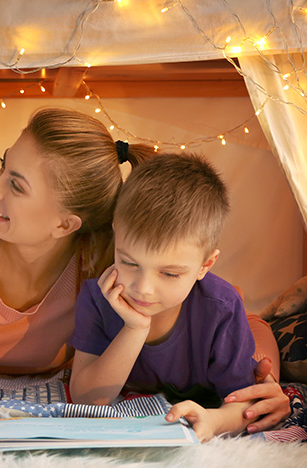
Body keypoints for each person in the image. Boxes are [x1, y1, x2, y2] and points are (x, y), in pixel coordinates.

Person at [0, 107, 289, 433]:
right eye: (2, 164)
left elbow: (240, 322)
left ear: (66, 224)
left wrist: (266, 375)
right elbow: (88, 397)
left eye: (17, 186)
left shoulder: (101, 259)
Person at [69, 152, 268, 441]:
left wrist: (214, 420)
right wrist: (135, 328)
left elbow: (245, 401)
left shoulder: (220, 309)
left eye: (170, 274)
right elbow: (87, 400)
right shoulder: (98, 297)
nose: (143, 288)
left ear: (205, 265)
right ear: (116, 234)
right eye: (129, 263)